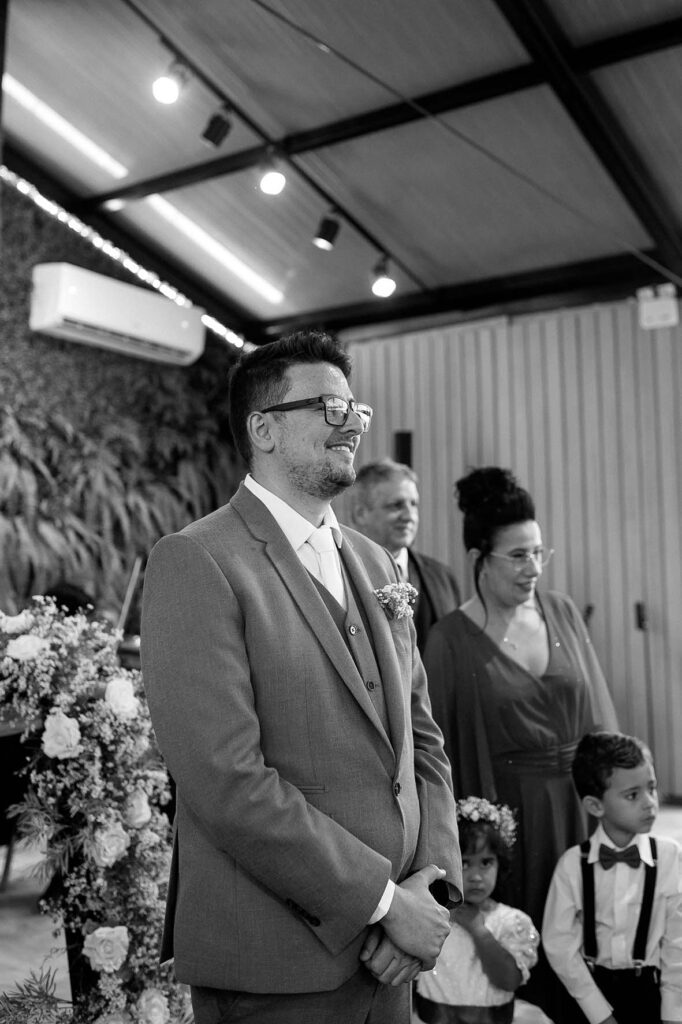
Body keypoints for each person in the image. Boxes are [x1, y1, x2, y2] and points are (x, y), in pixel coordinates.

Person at [141, 330, 462, 1024]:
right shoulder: (198, 561)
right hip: (277, 966)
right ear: (263, 429)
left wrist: (431, 892)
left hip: (396, 963)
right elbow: (227, 780)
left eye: (356, 409)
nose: (352, 424)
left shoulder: (377, 564)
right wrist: (383, 903)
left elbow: (424, 745)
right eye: (328, 408)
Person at [422, 466, 618, 1019]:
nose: (533, 567)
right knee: (520, 962)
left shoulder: (561, 612)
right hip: (508, 824)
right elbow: (438, 755)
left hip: (578, 811)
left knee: (588, 945)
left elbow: (600, 724)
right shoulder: (449, 640)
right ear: (479, 558)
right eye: (517, 555)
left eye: (538, 552)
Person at [543, 731, 682, 1024]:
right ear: (595, 806)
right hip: (590, 996)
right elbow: (559, 944)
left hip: (650, 996)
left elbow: (677, 943)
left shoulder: (671, 857)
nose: (650, 803)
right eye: (633, 795)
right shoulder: (572, 865)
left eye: (652, 788)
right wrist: (599, 1013)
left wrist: (673, 1013)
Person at [416, 796, 552, 1024]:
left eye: (486, 862)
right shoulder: (429, 916)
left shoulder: (513, 922)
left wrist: (478, 930)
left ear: (500, 863)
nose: (476, 877)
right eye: (465, 863)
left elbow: (509, 981)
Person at [349, 459, 461, 653]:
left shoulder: (443, 577)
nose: (409, 516)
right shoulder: (342, 573)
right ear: (361, 514)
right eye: (396, 505)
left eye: (414, 504)